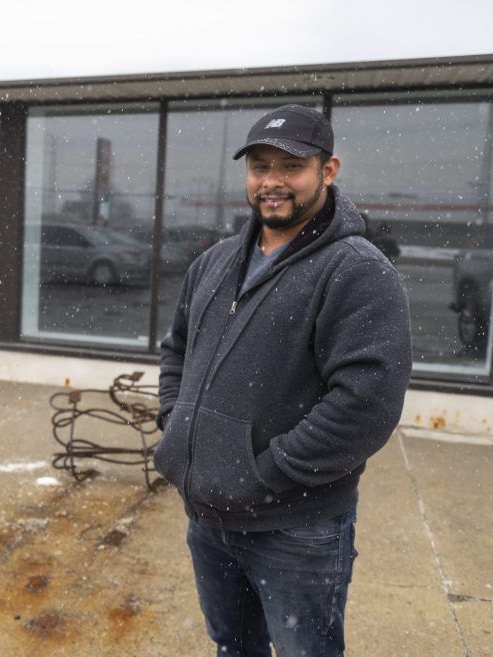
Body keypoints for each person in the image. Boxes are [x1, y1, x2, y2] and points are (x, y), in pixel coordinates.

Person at [153, 104, 412, 657]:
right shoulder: (216, 262)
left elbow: (366, 405)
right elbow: (177, 351)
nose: (271, 181)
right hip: (210, 518)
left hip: (297, 529)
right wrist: (175, 427)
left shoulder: (356, 270)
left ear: (328, 170)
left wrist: (265, 473)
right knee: (233, 646)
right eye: (259, 166)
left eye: (291, 166)